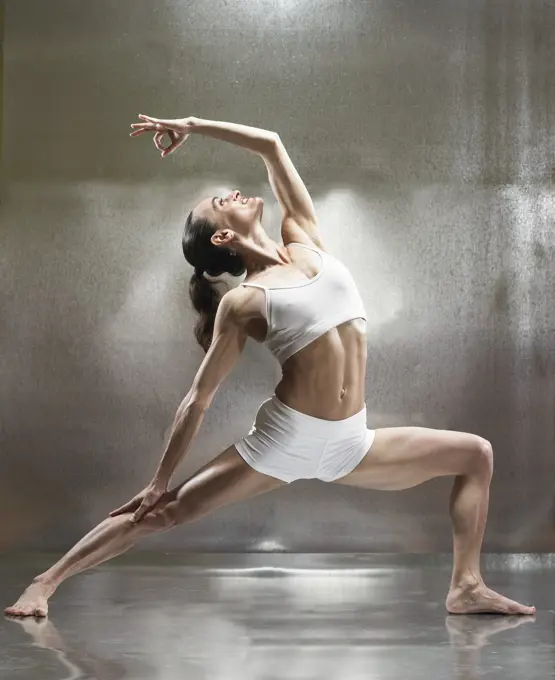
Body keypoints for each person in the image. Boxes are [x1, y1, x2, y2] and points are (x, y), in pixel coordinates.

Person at [5, 115, 535, 618]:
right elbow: (199, 397)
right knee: (163, 512)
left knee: (475, 455)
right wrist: (159, 479)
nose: (233, 193)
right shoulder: (244, 302)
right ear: (221, 237)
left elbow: (271, 144)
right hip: (284, 441)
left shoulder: (305, 237)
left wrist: (191, 125)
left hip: (352, 442)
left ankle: (466, 587)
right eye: (221, 202)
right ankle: (45, 582)